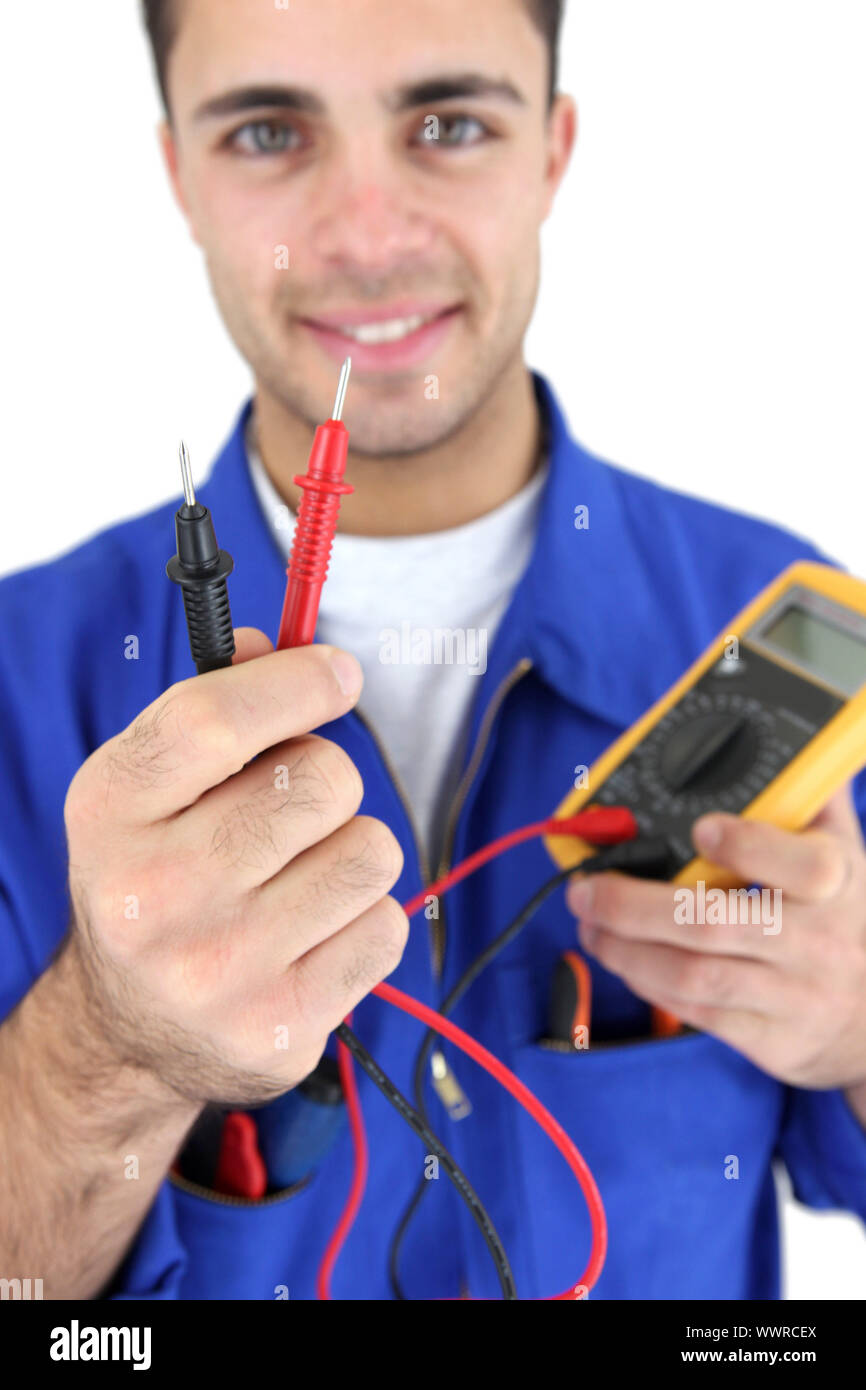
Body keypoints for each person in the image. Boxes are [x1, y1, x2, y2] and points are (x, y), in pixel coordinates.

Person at [0, 0, 864, 1302]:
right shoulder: (18, 676)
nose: (367, 236)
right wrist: (108, 1052)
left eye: (449, 123)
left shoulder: (792, 629)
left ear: (552, 153)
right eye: (269, 130)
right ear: (178, 170)